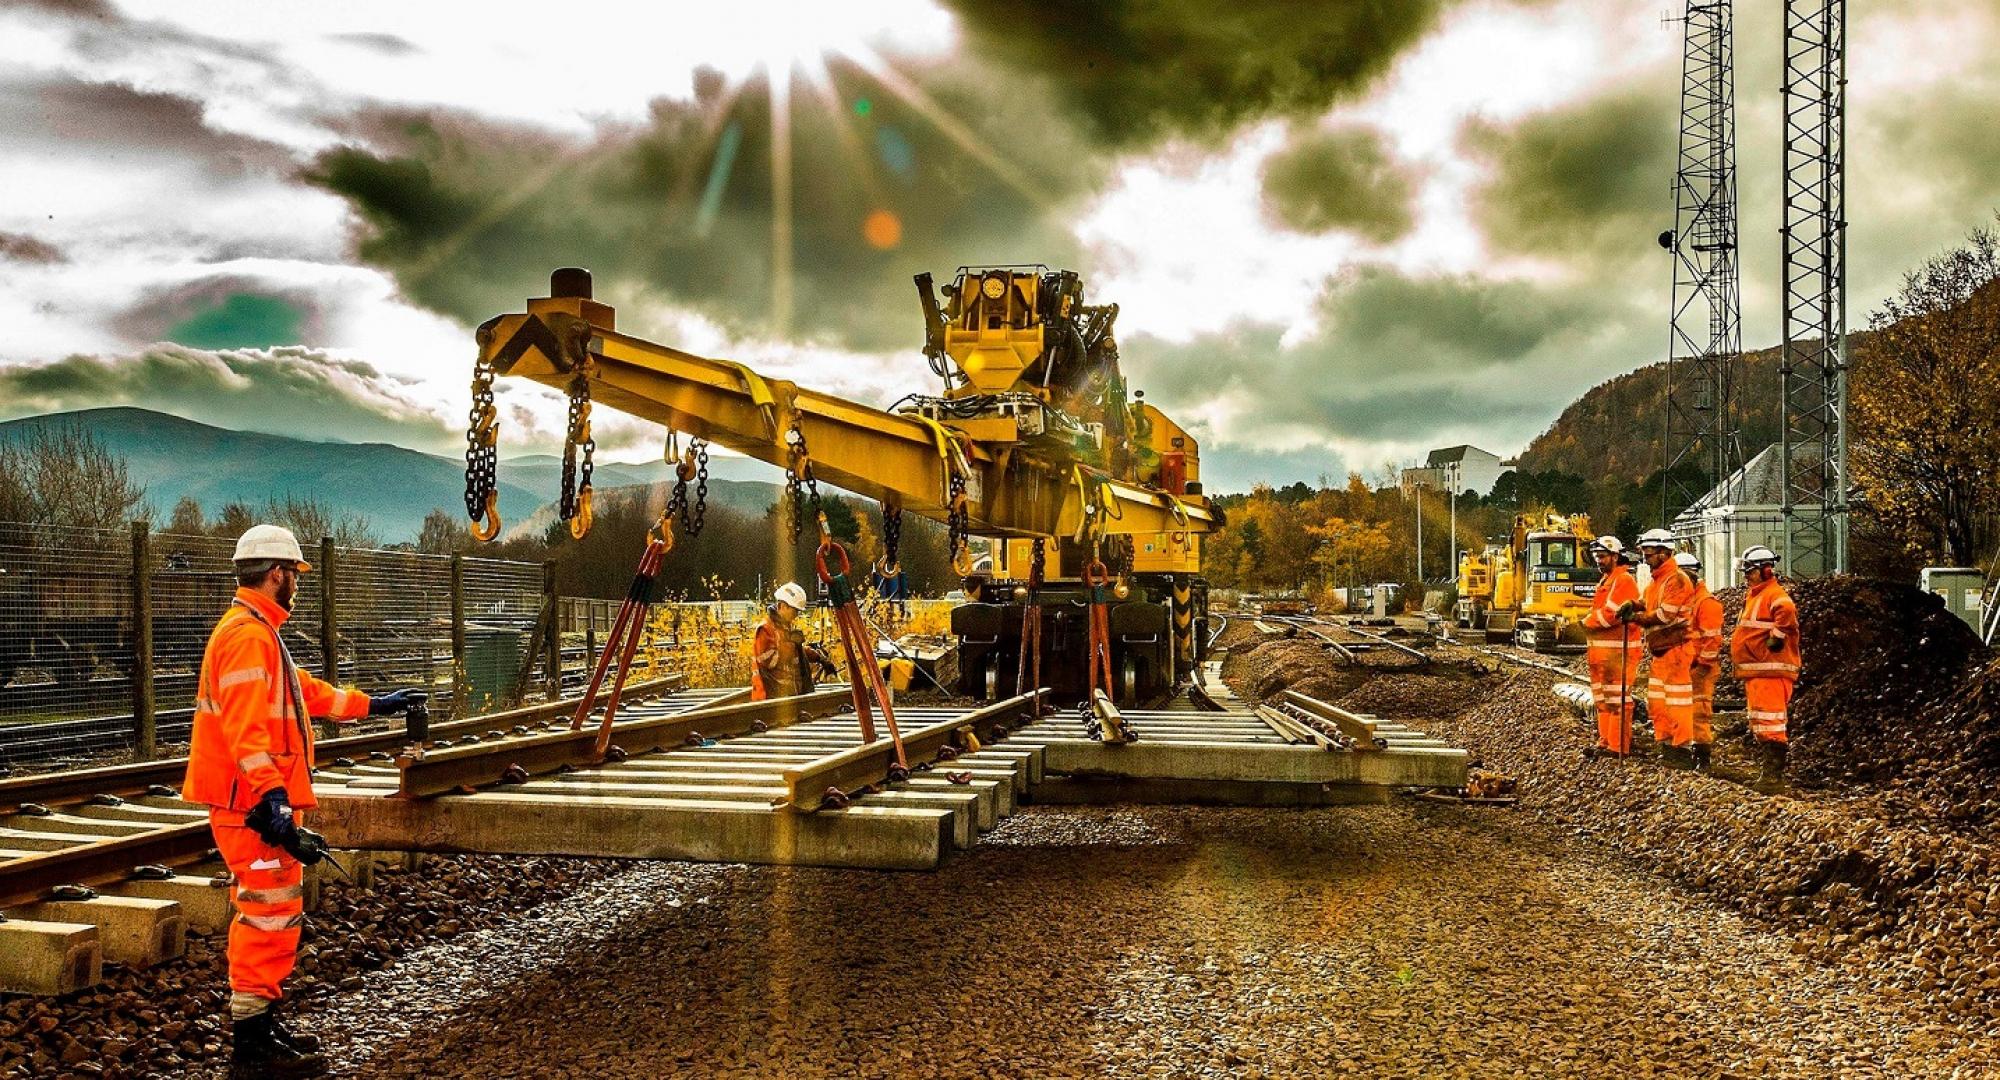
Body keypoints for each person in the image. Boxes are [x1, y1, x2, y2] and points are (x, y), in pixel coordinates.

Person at [183, 525, 423, 1079]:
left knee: (277, 910)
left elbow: (303, 692)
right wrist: (273, 802)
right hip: (250, 805)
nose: (298, 585)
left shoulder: (258, 631)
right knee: (267, 913)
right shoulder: (247, 636)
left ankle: (262, 1024)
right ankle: (252, 1047)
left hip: (252, 801)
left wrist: (374, 705)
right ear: (277, 574)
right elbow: (246, 732)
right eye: (295, 575)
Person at [1625, 529, 1697, 768]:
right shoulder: (1657, 581)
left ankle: (1682, 750)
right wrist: (1634, 605)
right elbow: (1647, 603)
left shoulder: (1676, 579)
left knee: (1677, 704)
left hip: (1676, 649)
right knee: (1658, 703)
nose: (1645, 559)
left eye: (1649, 554)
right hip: (1661, 651)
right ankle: (1666, 745)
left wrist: (1637, 618)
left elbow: (1665, 614)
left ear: (1665, 553)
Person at [1731, 545, 1800, 792]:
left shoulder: (1773, 594)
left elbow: (1787, 611)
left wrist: (1778, 636)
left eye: (1750, 571)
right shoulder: (1756, 594)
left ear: (1767, 570)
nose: (1746, 576)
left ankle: (1773, 777)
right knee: (1761, 721)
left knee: (1771, 723)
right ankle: (1769, 773)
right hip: (1759, 669)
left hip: (1770, 670)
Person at [1580, 535, 1640, 757]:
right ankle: (1606, 741)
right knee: (1603, 700)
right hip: (1603, 653)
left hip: (1618, 653)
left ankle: (1618, 746)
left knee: (1617, 700)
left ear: (1615, 556)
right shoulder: (1607, 581)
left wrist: (1586, 623)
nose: (1599, 561)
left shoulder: (1623, 580)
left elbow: (1611, 615)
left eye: (1603, 557)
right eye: (1597, 557)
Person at [1678, 552, 1724, 772]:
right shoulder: (1686, 599)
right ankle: (1687, 752)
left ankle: (1702, 757)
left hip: (1700, 668)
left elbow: (1712, 639)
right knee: (1683, 711)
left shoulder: (1706, 603)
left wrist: (1700, 665)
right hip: (1685, 666)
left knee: (1699, 712)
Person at [751, 581, 835, 700]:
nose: (796, 615)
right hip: (769, 698)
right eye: (795, 610)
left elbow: (796, 651)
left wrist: (819, 658)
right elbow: (769, 661)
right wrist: (791, 644)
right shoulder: (765, 629)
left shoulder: (783, 627)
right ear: (783, 606)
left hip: (786, 696)